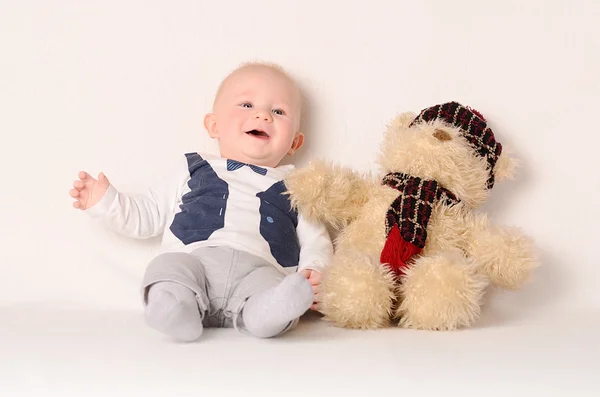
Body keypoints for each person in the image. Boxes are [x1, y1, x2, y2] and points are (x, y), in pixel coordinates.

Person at [69, 62, 333, 342]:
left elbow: (316, 240)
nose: (262, 115)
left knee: (276, 288)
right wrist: (106, 202)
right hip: (194, 262)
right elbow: (148, 214)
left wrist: (313, 271)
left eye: (278, 111)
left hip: (261, 272)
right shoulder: (192, 167)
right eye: (246, 104)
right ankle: (174, 309)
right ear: (214, 125)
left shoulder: (299, 186)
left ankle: (266, 313)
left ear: (295, 142)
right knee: (167, 268)